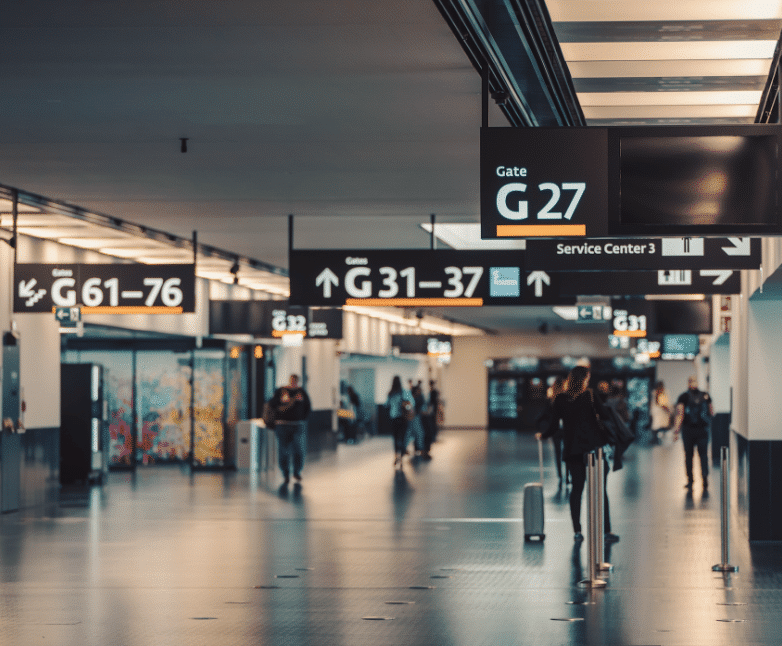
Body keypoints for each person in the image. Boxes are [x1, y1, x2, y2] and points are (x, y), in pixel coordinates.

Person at [536, 365, 617, 543]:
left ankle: (577, 531)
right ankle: (606, 531)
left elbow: (554, 426)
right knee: (600, 491)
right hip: (594, 450)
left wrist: (543, 435)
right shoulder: (590, 395)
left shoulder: (560, 400)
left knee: (577, 490)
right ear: (584, 379)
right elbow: (605, 416)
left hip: (573, 451)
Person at [269, 374, 312, 485]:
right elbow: (272, 404)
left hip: (297, 425)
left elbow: (308, 406)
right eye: (292, 381)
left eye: (296, 381)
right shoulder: (281, 391)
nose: (294, 383)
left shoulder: (301, 393)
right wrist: (283, 401)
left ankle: (297, 471)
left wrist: (303, 419)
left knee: (298, 449)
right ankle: (285, 472)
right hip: (282, 425)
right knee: (284, 450)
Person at [673, 375, 714, 490]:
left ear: (688, 383)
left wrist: (676, 431)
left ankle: (690, 481)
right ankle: (705, 478)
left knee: (689, 456)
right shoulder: (705, 396)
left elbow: (680, 415)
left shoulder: (683, 397)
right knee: (703, 455)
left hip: (688, 431)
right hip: (702, 431)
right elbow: (712, 412)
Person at [387, 376, 415, 469]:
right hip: (403, 418)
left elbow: (386, 404)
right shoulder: (404, 392)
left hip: (394, 418)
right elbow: (412, 403)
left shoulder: (390, 393)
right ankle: (401, 459)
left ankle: (396, 457)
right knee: (403, 438)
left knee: (395, 438)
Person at [422, 380, 440, 458]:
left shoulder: (433, 392)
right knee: (431, 426)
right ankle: (432, 438)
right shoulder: (431, 392)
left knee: (432, 426)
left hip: (432, 411)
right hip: (430, 412)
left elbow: (432, 402)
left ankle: (433, 437)